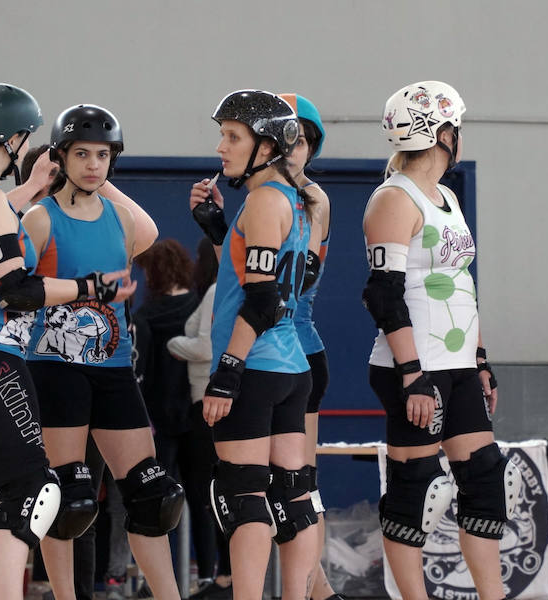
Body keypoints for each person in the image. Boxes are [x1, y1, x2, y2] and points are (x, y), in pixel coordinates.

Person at [0, 82, 133, 600]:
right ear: (12, 139)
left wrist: (30, 191)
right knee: (33, 492)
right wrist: (88, 287)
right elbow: (18, 290)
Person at [21, 103, 183, 600]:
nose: (93, 164)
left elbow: (150, 231)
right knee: (68, 502)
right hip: (55, 367)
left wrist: (100, 177)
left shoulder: (120, 218)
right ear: (59, 157)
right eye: (81, 154)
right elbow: (17, 291)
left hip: (114, 368)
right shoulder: (39, 219)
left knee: (153, 496)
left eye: (103, 155)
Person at [362, 81, 509, 600]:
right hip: (413, 366)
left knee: (485, 479)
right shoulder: (393, 198)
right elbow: (383, 297)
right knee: (417, 488)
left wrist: (481, 359)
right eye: (457, 129)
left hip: (458, 364)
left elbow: (462, 283)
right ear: (444, 133)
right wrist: (413, 375)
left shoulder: (445, 195)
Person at [200, 89, 317, 600]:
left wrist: (227, 372)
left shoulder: (266, 201)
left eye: (233, 137)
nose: (222, 148)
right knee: (293, 496)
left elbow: (262, 301)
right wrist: (218, 231)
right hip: (290, 367)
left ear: (266, 147)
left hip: (256, 366)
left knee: (243, 494)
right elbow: (262, 277)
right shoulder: (293, 199)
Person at [277, 92, 346, 600]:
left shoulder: (312, 198)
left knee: (297, 490)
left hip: (297, 352)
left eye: (299, 140)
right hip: (268, 356)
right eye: (282, 138)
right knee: (278, 493)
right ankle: (319, 593)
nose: (290, 149)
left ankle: (311, 594)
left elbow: (289, 285)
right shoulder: (262, 198)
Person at [134, 238, 225, 598]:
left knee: (156, 500)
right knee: (203, 499)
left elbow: (141, 371)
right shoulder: (197, 304)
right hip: (196, 411)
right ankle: (207, 575)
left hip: (157, 417)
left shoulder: (145, 316)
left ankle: (158, 582)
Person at [166, 238, 233, 599]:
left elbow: (207, 348)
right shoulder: (232, 290)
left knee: (210, 492)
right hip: (222, 399)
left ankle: (223, 577)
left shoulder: (214, 293)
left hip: (207, 399)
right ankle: (224, 575)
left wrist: (172, 344)